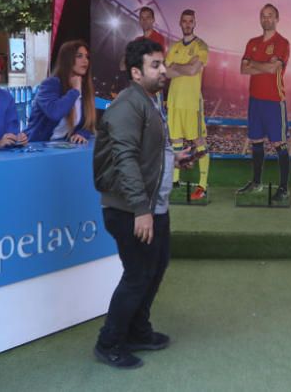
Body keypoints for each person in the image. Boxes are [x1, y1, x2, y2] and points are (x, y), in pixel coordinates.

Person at [92, 37, 193, 369]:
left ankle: (137, 330)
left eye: (162, 64)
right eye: (155, 65)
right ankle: (109, 343)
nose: (164, 70)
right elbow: (125, 159)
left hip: (152, 205)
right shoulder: (127, 105)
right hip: (131, 209)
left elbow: (147, 153)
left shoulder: (149, 100)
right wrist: (141, 210)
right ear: (136, 72)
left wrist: (174, 159)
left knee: (154, 270)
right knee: (137, 275)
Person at [237, 4, 291, 201]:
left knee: (279, 144)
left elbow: (272, 69)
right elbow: (243, 69)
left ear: (277, 19)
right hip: (255, 100)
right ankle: (257, 182)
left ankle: (284, 187)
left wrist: (254, 64)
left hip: (274, 101)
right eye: (263, 15)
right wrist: (262, 65)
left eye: (270, 16)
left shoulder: (282, 43)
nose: (266, 19)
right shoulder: (252, 42)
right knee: (256, 142)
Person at [165, 9, 211, 201]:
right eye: (184, 21)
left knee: (198, 142)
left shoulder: (201, 46)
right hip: (174, 100)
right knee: (175, 140)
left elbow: (193, 70)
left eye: (190, 21)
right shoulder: (174, 46)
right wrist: (178, 68)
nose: (187, 24)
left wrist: (176, 67)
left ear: (194, 23)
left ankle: (202, 185)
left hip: (192, 102)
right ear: (180, 23)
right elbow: (165, 73)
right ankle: (175, 181)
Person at [25, 40, 96, 144]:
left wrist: (81, 133)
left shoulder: (84, 87)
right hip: (35, 147)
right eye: (79, 56)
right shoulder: (50, 84)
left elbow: (87, 124)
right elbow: (55, 112)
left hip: (61, 149)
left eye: (87, 57)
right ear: (67, 59)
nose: (85, 61)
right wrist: (74, 91)